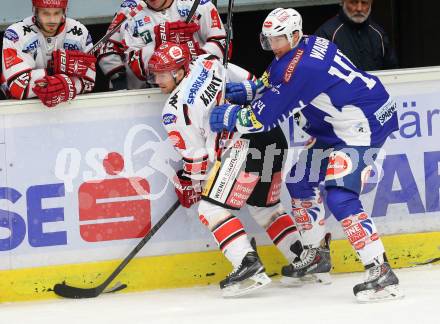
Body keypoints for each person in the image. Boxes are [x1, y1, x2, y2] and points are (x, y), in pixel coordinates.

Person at [210, 7, 403, 302]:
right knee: (300, 183)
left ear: (295, 35)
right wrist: (252, 89)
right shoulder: (307, 44)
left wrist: (231, 116)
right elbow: (273, 80)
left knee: (340, 197)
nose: (272, 47)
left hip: (362, 126)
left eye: (278, 40)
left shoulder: (302, 69)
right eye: (268, 40)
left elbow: (262, 118)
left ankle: (381, 272)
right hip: (336, 128)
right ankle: (316, 254)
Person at [148, 42, 305, 297]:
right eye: (155, 73)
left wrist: (193, 184)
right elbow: (253, 84)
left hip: (242, 146)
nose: (157, 80)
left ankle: (247, 264)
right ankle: (303, 260)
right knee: (264, 207)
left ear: (178, 71)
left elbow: (197, 159)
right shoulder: (207, 62)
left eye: (162, 74)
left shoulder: (174, 111)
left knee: (210, 209)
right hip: (271, 135)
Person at [98, 0, 227, 90]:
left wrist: (189, 53)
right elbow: (128, 59)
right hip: (147, 96)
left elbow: (222, 45)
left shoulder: (198, 4)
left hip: (198, 87)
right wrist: (161, 47)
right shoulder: (131, 11)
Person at [1, 0, 96, 108]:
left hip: (68, 107)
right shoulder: (15, 33)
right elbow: (18, 87)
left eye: (57, 13)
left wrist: (64, 85)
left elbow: (89, 82)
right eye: (46, 13)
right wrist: (57, 70)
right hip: (19, 109)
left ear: (64, 11)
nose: (52, 20)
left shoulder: (80, 31)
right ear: (35, 11)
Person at [315, 0, 398, 71]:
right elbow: (315, 73)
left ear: (371, 3)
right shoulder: (326, 34)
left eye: (364, 3)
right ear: (343, 2)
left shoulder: (378, 34)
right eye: (353, 2)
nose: (359, 8)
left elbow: (392, 72)